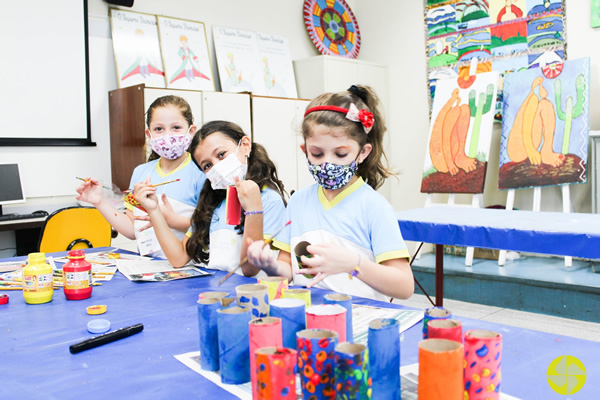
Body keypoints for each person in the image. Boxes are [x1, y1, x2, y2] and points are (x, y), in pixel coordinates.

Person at [247, 85, 414, 301]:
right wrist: (270, 265)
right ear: (305, 150)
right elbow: (289, 271)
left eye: (341, 154)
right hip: (309, 322)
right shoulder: (298, 202)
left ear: (362, 152)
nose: (327, 163)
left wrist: (354, 264)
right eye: (316, 154)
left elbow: (404, 286)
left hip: (357, 321)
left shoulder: (373, 206)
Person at [133, 120, 287, 277]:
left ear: (245, 145)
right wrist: (154, 210)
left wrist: (254, 210)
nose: (217, 167)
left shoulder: (269, 200)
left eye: (221, 155)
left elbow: (249, 269)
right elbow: (178, 259)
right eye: (207, 165)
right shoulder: (213, 204)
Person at [76, 95, 205, 257]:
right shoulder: (141, 173)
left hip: (189, 269)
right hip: (148, 268)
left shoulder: (201, 172)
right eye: (159, 129)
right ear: (148, 134)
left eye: (176, 127)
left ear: (191, 131)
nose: (167, 135)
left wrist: (171, 220)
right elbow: (132, 229)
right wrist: (100, 201)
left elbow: (210, 226)